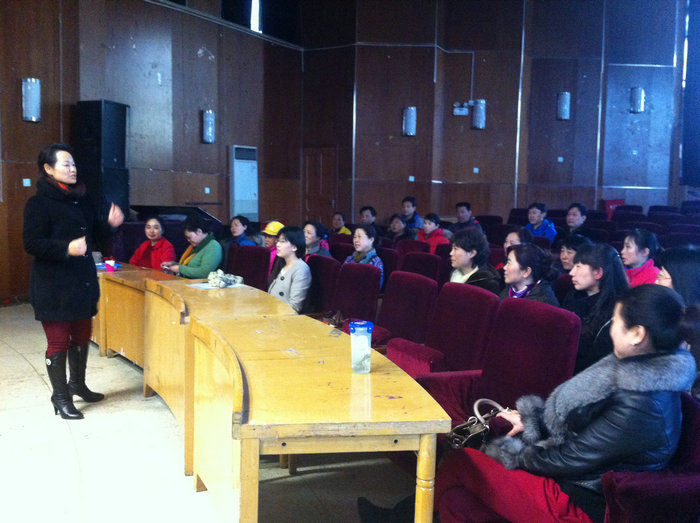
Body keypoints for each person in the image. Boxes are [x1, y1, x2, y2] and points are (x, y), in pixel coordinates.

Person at [359, 285, 698, 523]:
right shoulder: (639, 376)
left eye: (617, 322)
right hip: (578, 480)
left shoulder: (642, 403)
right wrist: (531, 420)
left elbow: (570, 458)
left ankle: (397, 518)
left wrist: (514, 454)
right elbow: (584, 426)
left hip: (581, 503)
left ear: (638, 334)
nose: (611, 330)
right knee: (455, 498)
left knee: (463, 461)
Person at [23, 143, 124, 420]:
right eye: (66, 164)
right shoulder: (38, 203)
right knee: (58, 341)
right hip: (53, 285)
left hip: (82, 281)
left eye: (74, 164)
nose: (72, 169)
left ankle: (77, 385)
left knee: (81, 335)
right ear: (48, 169)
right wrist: (66, 248)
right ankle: (60, 397)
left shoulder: (81, 199)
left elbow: (94, 236)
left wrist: (110, 224)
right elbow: (31, 243)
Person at [563, 243, 629, 373]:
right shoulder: (572, 296)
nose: (571, 273)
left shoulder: (617, 310)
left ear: (598, 272)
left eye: (578, 267)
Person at [655, 246, 700, 398]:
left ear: (683, 281)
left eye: (661, 277)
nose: (655, 282)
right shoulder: (669, 315)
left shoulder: (695, 331)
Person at [267, 226, 311, 313]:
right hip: (272, 311)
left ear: (294, 247)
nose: (277, 244)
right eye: (278, 241)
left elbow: (294, 307)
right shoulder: (282, 264)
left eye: (282, 241)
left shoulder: (301, 269)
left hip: (284, 317)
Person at [449, 228, 501, 294]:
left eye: (455, 249)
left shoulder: (487, 283)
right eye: (452, 249)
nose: (451, 253)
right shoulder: (454, 272)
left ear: (472, 253)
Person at [344, 224, 384, 289]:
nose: (356, 240)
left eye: (360, 237)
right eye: (354, 237)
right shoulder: (350, 258)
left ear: (371, 240)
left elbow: (375, 289)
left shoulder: (375, 262)